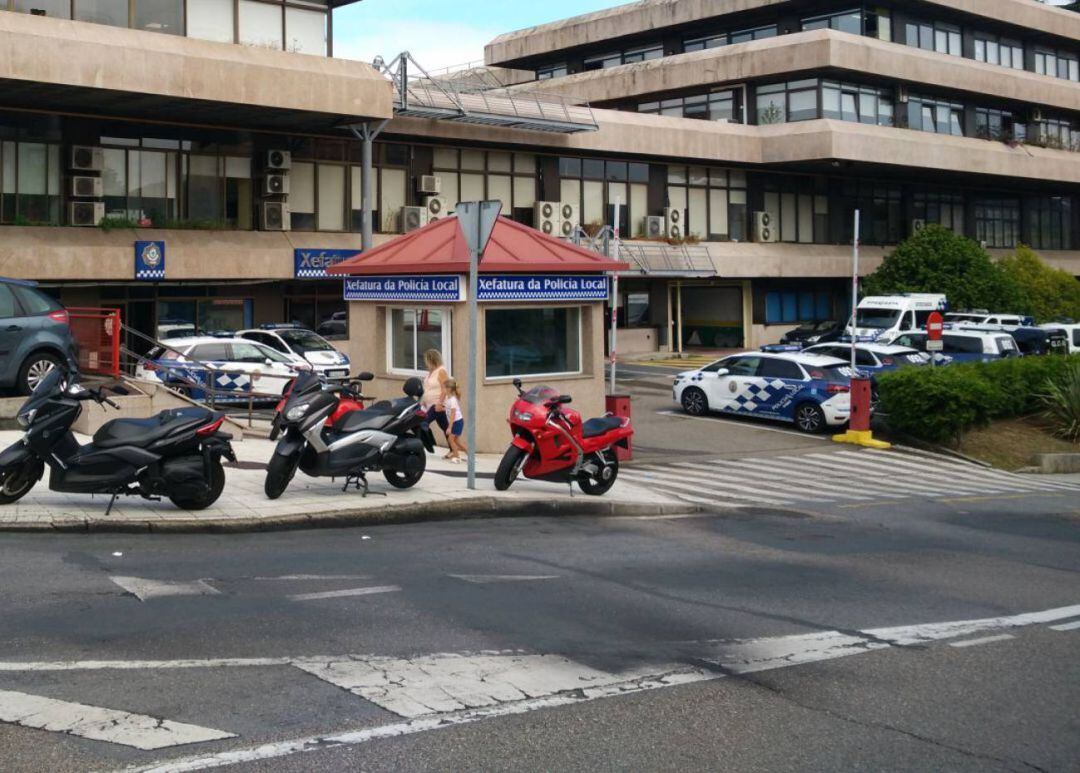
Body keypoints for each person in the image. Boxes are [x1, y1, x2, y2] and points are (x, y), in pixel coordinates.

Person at [421, 349, 450, 444]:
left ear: (432, 360)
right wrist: (423, 402)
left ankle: (428, 442)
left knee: (423, 422)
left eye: (427, 361)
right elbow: (427, 389)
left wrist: (439, 403)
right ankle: (454, 450)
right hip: (429, 405)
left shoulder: (441, 371)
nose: (426, 364)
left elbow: (445, 389)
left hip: (437, 405)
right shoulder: (430, 373)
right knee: (445, 427)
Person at [441, 378, 468, 463]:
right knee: (456, 441)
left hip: (457, 422)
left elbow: (453, 414)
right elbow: (447, 409)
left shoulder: (452, 400)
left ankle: (457, 457)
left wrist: (449, 427)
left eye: (444, 388)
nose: (443, 390)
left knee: (451, 439)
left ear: (449, 389)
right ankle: (470, 454)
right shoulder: (448, 399)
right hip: (457, 422)